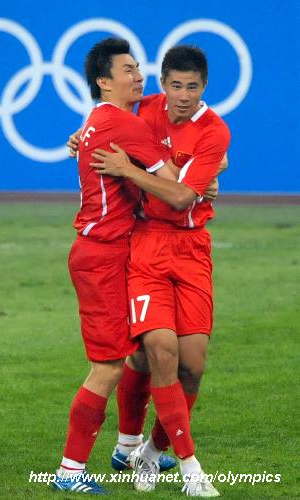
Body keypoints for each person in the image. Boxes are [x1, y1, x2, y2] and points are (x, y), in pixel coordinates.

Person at [53, 37, 202, 495]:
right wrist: (201, 176)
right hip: (103, 256)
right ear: (104, 81)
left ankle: (127, 445)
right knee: (108, 366)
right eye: (128, 70)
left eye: (139, 69)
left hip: (114, 252)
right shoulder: (123, 126)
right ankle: (69, 471)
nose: (138, 76)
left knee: (138, 350)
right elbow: (175, 184)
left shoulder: (101, 119)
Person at [90, 45, 230, 496]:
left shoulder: (214, 130)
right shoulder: (144, 110)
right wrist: (79, 140)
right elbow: (102, 125)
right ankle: (186, 467)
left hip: (192, 250)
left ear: (204, 87)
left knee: (191, 366)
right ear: (163, 84)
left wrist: (127, 172)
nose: (183, 95)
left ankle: (149, 451)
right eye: (175, 85)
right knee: (158, 349)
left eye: (192, 87)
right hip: (147, 244)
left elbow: (181, 197)